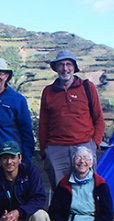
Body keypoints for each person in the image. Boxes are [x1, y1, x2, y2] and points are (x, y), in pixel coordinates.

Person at [39, 50, 105, 188]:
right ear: (56, 68)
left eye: (68, 64)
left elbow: (99, 119)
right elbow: (43, 124)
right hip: (56, 149)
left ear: (74, 67)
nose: (65, 68)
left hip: (84, 146)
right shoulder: (48, 91)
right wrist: (45, 152)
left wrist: (94, 145)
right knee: (61, 192)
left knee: (87, 190)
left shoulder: (87, 87)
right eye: (61, 64)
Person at [48, 146, 112, 221]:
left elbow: (106, 215)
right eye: (78, 158)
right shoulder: (63, 184)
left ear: (92, 162)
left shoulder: (101, 184)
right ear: (73, 162)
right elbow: (55, 210)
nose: (82, 161)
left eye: (86, 158)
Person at [0, 58, 34, 179]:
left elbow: (26, 131)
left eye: (0, 73)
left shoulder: (18, 99)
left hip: (12, 157)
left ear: (7, 76)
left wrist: (26, 159)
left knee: (15, 194)